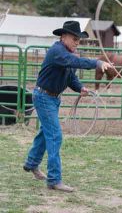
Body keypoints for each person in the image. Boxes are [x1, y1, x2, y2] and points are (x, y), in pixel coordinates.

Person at [23, 21, 113, 192]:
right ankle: (54, 180)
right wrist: (97, 63)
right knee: (55, 135)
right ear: (63, 37)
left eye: (78, 39)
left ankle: (31, 163)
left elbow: (71, 77)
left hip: (50, 98)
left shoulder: (65, 54)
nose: (77, 42)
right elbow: (73, 61)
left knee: (46, 133)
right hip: (44, 97)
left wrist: (80, 88)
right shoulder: (58, 52)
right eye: (74, 38)